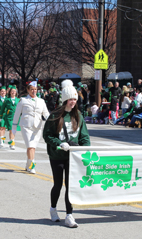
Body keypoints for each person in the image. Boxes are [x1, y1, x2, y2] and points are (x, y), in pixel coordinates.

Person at [43, 79, 90, 228]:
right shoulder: (55, 115)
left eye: (75, 99)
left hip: (73, 157)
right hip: (57, 156)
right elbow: (47, 135)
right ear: (64, 100)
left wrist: (85, 149)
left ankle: (69, 215)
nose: (73, 102)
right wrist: (58, 144)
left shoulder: (79, 116)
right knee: (58, 184)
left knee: (71, 186)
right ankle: (53, 209)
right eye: (70, 99)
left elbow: (84, 137)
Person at [12, 81, 50, 174]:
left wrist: (52, 121)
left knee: (33, 147)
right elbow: (17, 113)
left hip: (37, 127)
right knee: (30, 146)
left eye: (35, 89)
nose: (34, 91)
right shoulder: (23, 100)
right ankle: (32, 165)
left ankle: (28, 163)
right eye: (32, 89)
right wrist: (14, 126)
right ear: (28, 90)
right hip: (26, 126)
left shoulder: (41, 101)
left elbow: (46, 113)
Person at [2, 85, 19, 149]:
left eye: (14, 91)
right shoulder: (7, 100)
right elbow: (3, 109)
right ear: (9, 92)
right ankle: (12, 142)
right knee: (11, 130)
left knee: (14, 130)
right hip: (9, 117)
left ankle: (11, 140)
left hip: (16, 117)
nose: (13, 92)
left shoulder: (18, 100)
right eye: (12, 91)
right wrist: (1, 116)